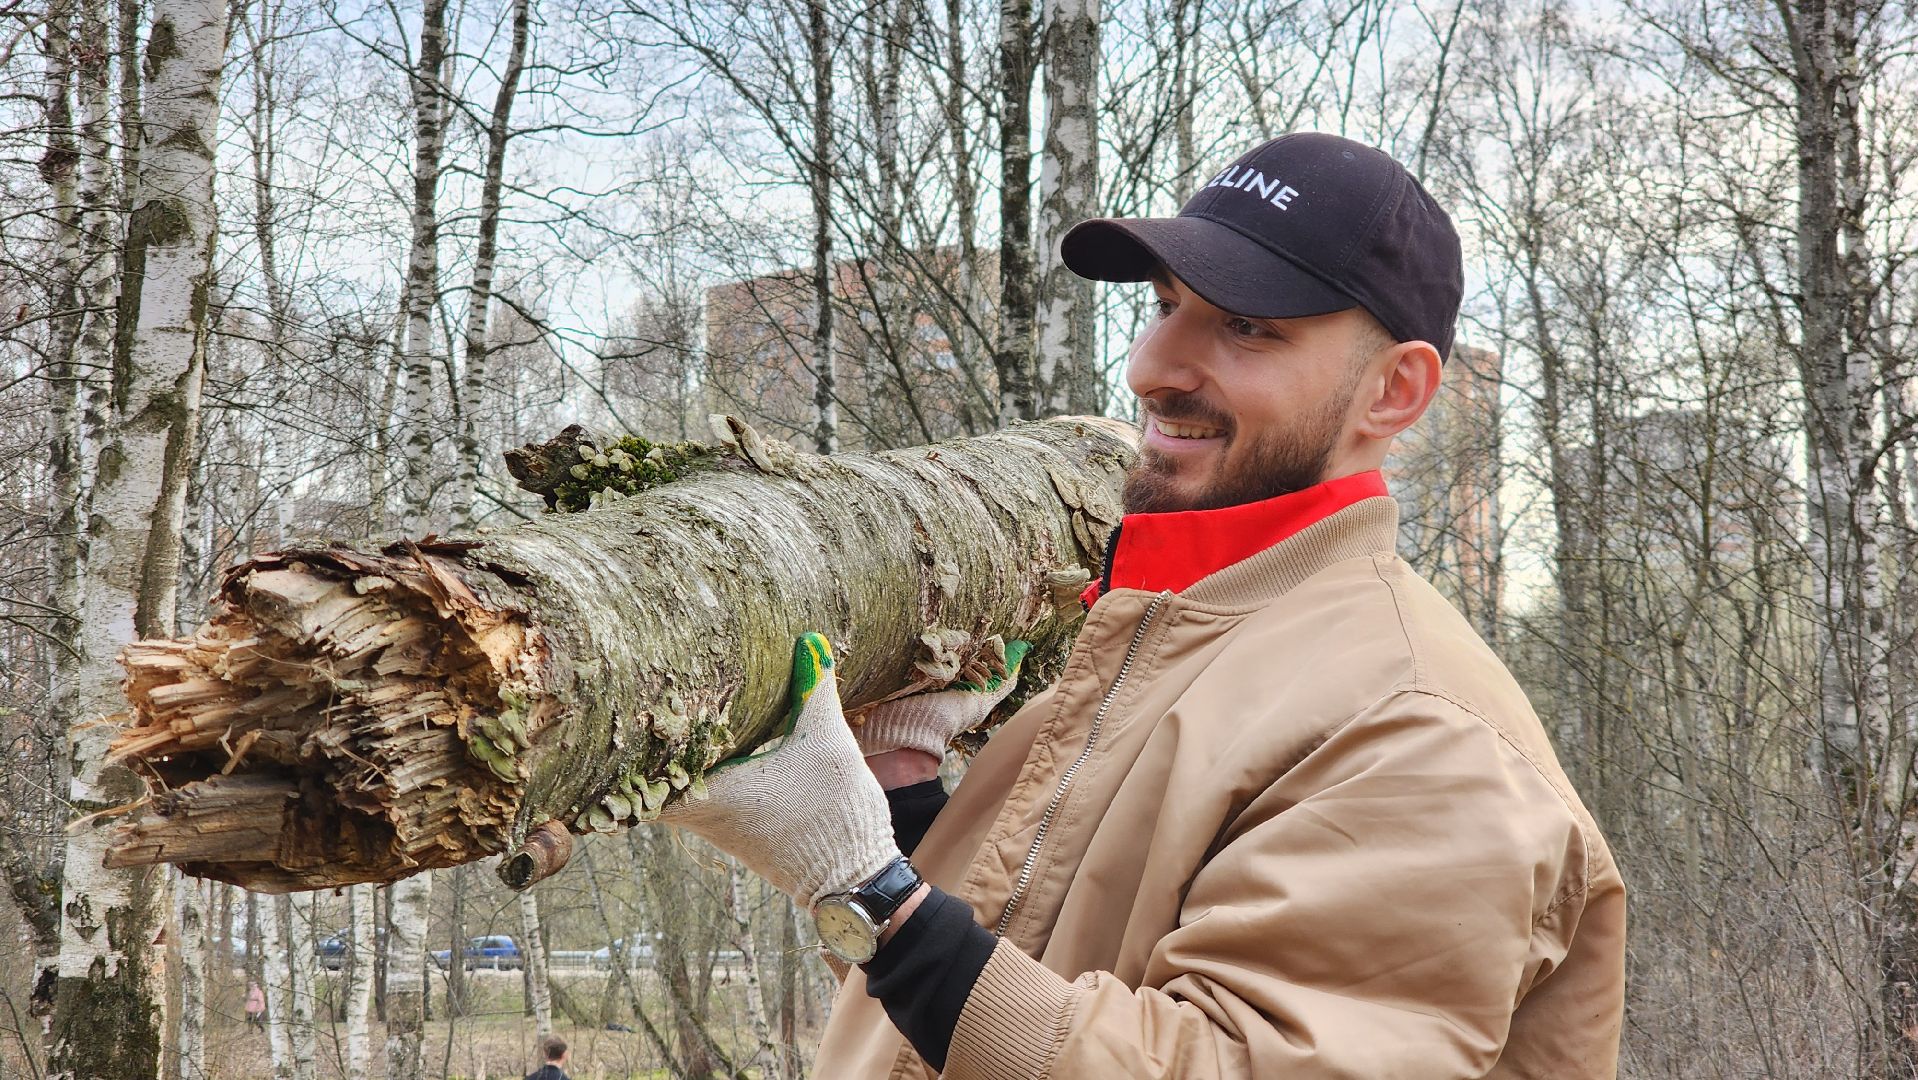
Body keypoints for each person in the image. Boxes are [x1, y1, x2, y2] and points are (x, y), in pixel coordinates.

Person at [660, 132, 1626, 1078]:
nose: (1153, 365)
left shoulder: (1421, 731)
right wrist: (900, 799)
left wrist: (866, 890)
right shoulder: (1161, 636)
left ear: (1393, 390)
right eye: (1167, 305)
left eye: (1247, 326)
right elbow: (1013, 992)